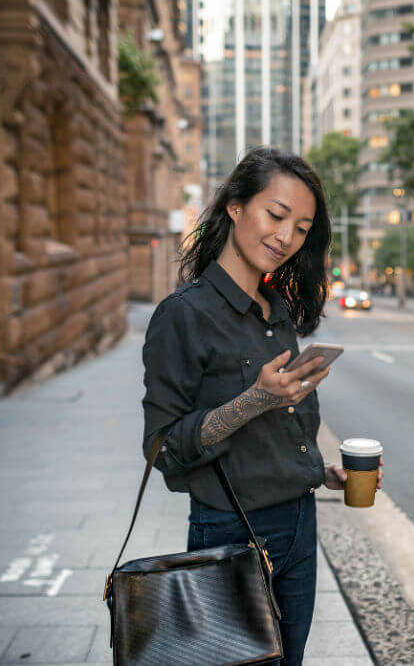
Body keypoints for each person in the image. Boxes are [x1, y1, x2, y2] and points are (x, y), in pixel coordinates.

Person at [141, 147, 383, 665]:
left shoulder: (274, 312)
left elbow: (279, 430)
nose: (286, 238)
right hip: (231, 530)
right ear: (234, 205)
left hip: (298, 523)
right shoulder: (183, 315)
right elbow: (163, 449)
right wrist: (253, 400)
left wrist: (326, 472)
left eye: (301, 228)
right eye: (276, 215)